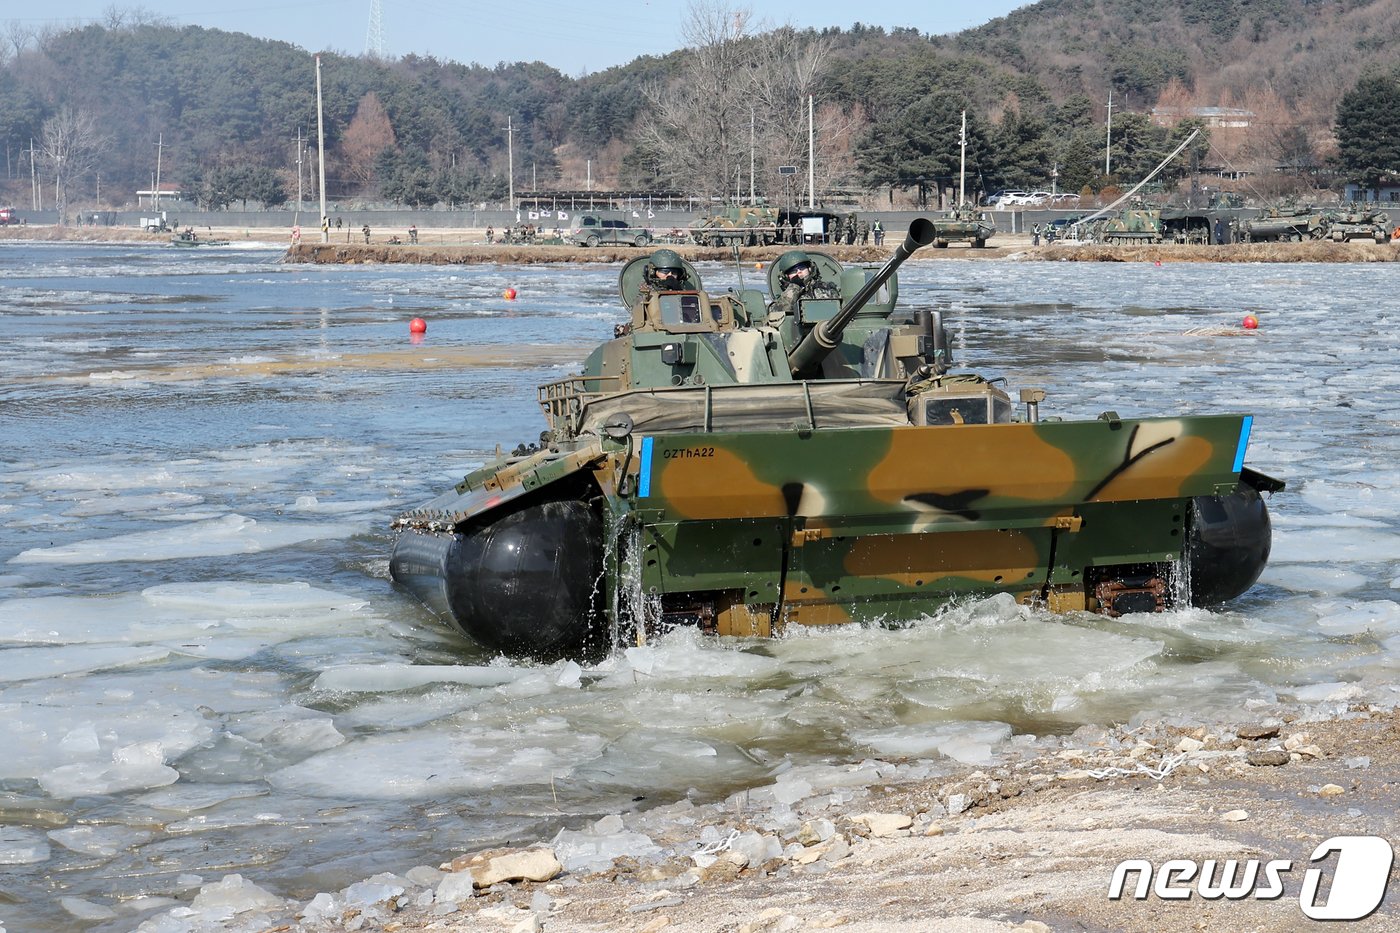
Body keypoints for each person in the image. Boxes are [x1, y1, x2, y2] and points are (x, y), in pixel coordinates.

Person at [769, 249, 840, 318]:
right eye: (793, 271)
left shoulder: (826, 288)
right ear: (786, 276)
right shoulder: (784, 297)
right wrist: (794, 288)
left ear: (809, 269)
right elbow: (776, 313)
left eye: (802, 268)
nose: (799, 272)